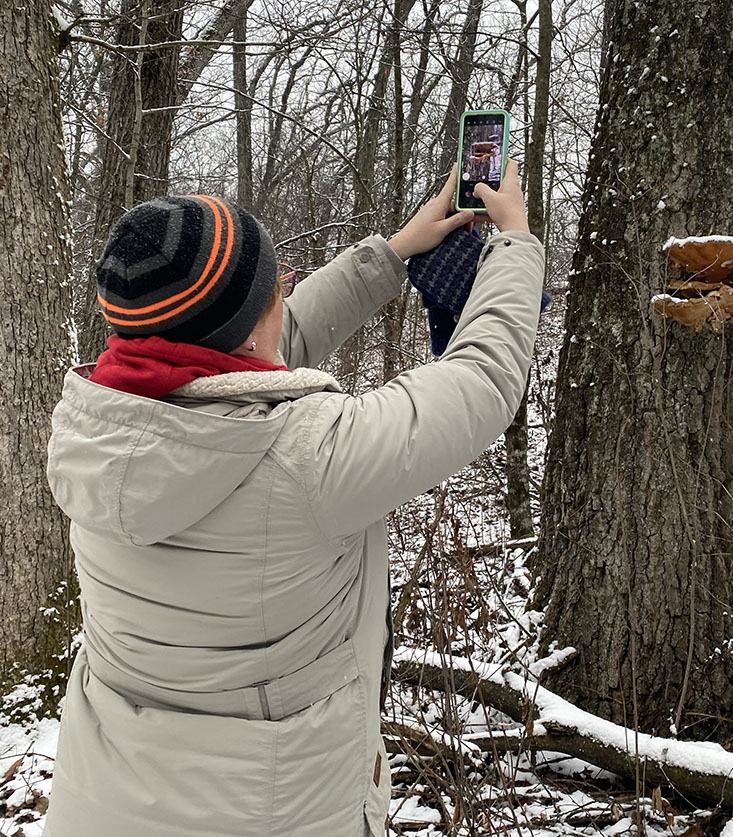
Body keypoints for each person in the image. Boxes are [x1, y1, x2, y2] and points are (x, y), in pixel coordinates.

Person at [44, 163, 544, 837]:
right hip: (268, 809)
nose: (287, 299)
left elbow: (244, 362)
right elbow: (480, 380)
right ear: (249, 329)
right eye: (280, 289)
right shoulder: (310, 458)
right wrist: (514, 240)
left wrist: (391, 255)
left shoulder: (97, 427)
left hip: (108, 801)